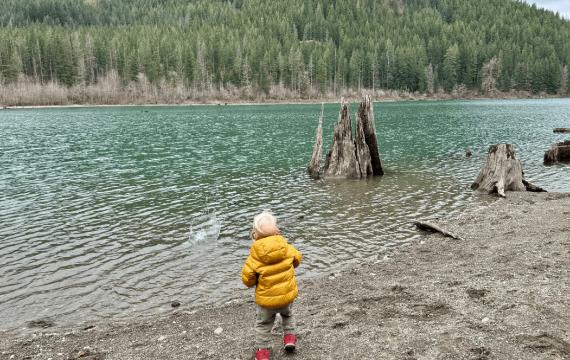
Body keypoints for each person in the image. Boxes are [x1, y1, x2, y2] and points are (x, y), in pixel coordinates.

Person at [241, 211, 302, 360]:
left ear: (255, 234)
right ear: (277, 230)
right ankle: (289, 339)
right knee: (288, 315)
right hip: (286, 296)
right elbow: (297, 259)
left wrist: (256, 279)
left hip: (266, 301)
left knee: (263, 324)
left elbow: (247, 280)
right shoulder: (285, 246)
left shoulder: (255, 254)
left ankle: (263, 352)